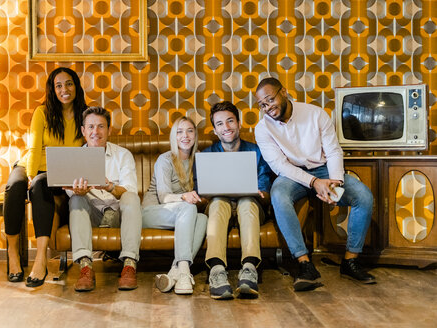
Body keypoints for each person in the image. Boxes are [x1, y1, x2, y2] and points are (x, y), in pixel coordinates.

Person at [254, 77, 376, 292]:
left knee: (363, 197)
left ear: (284, 92)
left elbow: (333, 151)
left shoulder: (316, 113)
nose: (267, 107)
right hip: (293, 175)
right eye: (262, 104)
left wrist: (335, 183)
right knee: (279, 195)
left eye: (270, 99)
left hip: (325, 170)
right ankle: (304, 264)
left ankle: (350, 261)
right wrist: (313, 182)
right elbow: (280, 166)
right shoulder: (262, 128)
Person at [3, 67, 86, 287]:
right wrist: (30, 175)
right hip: (31, 165)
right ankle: (12, 253)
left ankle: (40, 260)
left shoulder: (85, 116)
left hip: (58, 172)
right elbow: (33, 147)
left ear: (76, 85)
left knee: (40, 186)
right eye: (58, 86)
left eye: (68, 83)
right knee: (14, 188)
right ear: (52, 90)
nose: (64, 89)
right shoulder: (42, 112)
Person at [200, 101, 273, 300]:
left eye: (230, 121)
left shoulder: (257, 151)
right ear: (215, 130)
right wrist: (205, 193)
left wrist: (259, 192)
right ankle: (216, 270)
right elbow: (201, 193)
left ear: (239, 123)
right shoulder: (207, 155)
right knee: (218, 202)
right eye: (220, 124)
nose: (227, 127)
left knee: (247, 202)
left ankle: (249, 268)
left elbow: (265, 190)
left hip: (249, 204)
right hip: (219, 206)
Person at [65, 106, 142, 292]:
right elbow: (69, 191)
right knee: (75, 199)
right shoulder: (74, 158)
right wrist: (78, 192)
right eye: (90, 127)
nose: (95, 132)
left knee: (131, 197)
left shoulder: (123, 155)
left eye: (101, 127)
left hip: (118, 214)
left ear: (109, 130)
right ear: (83, 131)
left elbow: (130, 190)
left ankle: (129, 265)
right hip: (91, 214)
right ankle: (85, 267)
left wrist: (109, 186)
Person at [141, 116, 207, 295]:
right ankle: (185, 272)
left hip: (180, 213)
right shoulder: (166, 159)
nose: (185, 136)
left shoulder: (200, 159)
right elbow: (163, 197)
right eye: (179, 132)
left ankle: (174, 273)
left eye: (190, 131)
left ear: (195, 135)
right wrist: (185, 197)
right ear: (174, 136)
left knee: (202, 218)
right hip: (150, 212)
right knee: (188, 207)